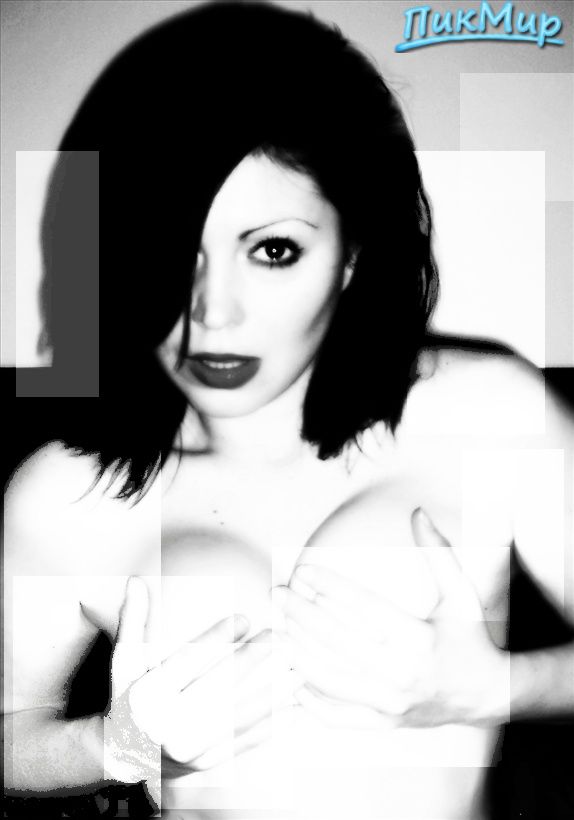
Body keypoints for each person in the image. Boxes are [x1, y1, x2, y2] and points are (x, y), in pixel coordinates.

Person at [3, 2, 573, 818]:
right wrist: (117, 744)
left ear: (352, 253)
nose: (213, 313)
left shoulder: (485, 413)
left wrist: (496, 688)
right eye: (172, 252)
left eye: (273, 250)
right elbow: (9, 734)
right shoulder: (63, 494)